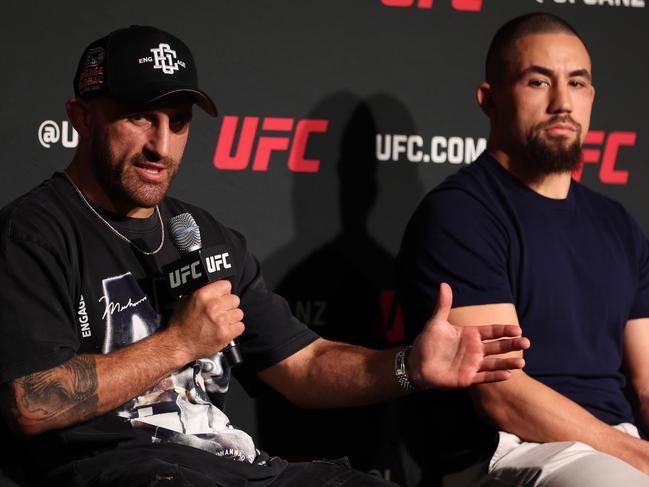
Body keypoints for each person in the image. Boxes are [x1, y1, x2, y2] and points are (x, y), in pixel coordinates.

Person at [0, 25, 528, 487]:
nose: (162, 145)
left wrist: (407, 365)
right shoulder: (36, 231)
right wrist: (180, 343)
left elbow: (305, 365)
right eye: (140, 118)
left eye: (178, 122)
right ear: (82, 117)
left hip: (234, 467)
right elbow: (30, 402)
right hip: (119, 468)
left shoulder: (203, 234)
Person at [397, 12, 649, 487]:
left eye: (577, 83)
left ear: (592, 97)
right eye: (538, 81)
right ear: (489, 100)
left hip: (618, 444)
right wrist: (635, 456)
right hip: (510, 451)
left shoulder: (619, 225)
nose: (562, 103)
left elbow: (647, 381)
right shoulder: (461, 213)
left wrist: (632, 451)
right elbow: (502, 396)